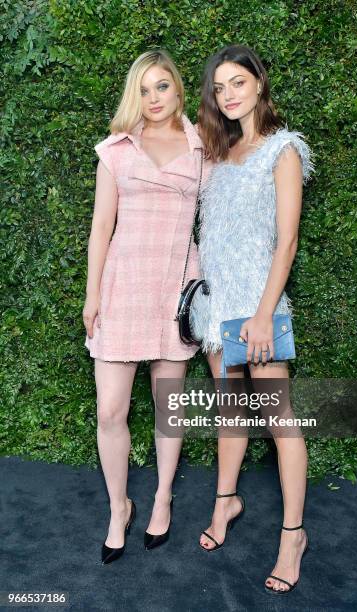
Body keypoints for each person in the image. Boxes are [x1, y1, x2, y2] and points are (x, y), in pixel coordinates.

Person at [192, 44, 315, 594]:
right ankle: (226, 504)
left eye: (237, 82)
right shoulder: (219, 155)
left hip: (258, 309)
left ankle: (293, 537)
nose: (229, 95)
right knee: (230, 415)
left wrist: (264, 315)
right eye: (220, 87)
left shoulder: (282, 150)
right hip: (218, 309)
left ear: (260, 84)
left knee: (280, 422)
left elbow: (286, 241)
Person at [83, 49, 210, 563]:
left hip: (176, 286)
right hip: (123, 285)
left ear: (178, 89)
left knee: (167, 408)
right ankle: (119, 507)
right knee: (110, 408)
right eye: (143, 89)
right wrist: (92, 294)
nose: (153, 98)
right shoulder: (115, 149)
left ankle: (161, 497)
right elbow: (100, 229)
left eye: (162, 86)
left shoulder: (206, 146)